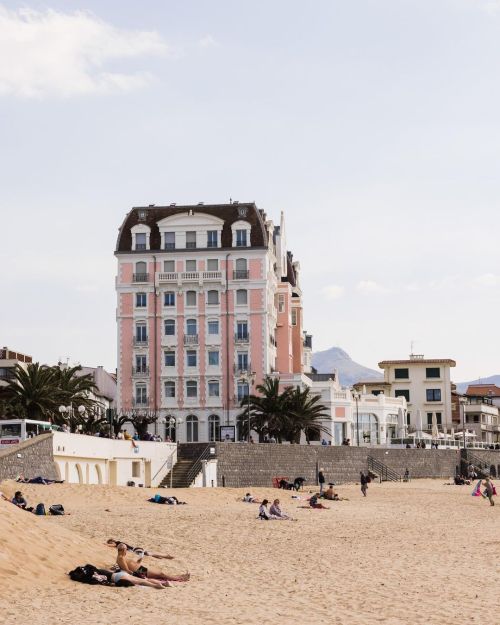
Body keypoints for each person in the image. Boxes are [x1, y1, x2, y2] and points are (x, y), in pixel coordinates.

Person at [115, 543, 189, 582]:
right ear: (122, 550)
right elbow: (127, 570)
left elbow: (132, 565)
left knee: (160, 574)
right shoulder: (120, 558)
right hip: (140, 571)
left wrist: (140, 559)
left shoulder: (122, 558)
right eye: (126, 549)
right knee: (161, 574)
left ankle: (179, 576)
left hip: (140, 569)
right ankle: (181, 578)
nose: (126, 551)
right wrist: (139, 577)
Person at [106, 539, 174, 559]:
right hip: (136, 549)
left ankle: (167, 556)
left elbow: (113, 545)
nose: (111, 543)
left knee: (149, 554)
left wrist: (105, 544)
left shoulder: (117, 543)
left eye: (111, 542)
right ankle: (163, 556)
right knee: (150, 554)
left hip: (135, 550)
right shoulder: (119, 543)